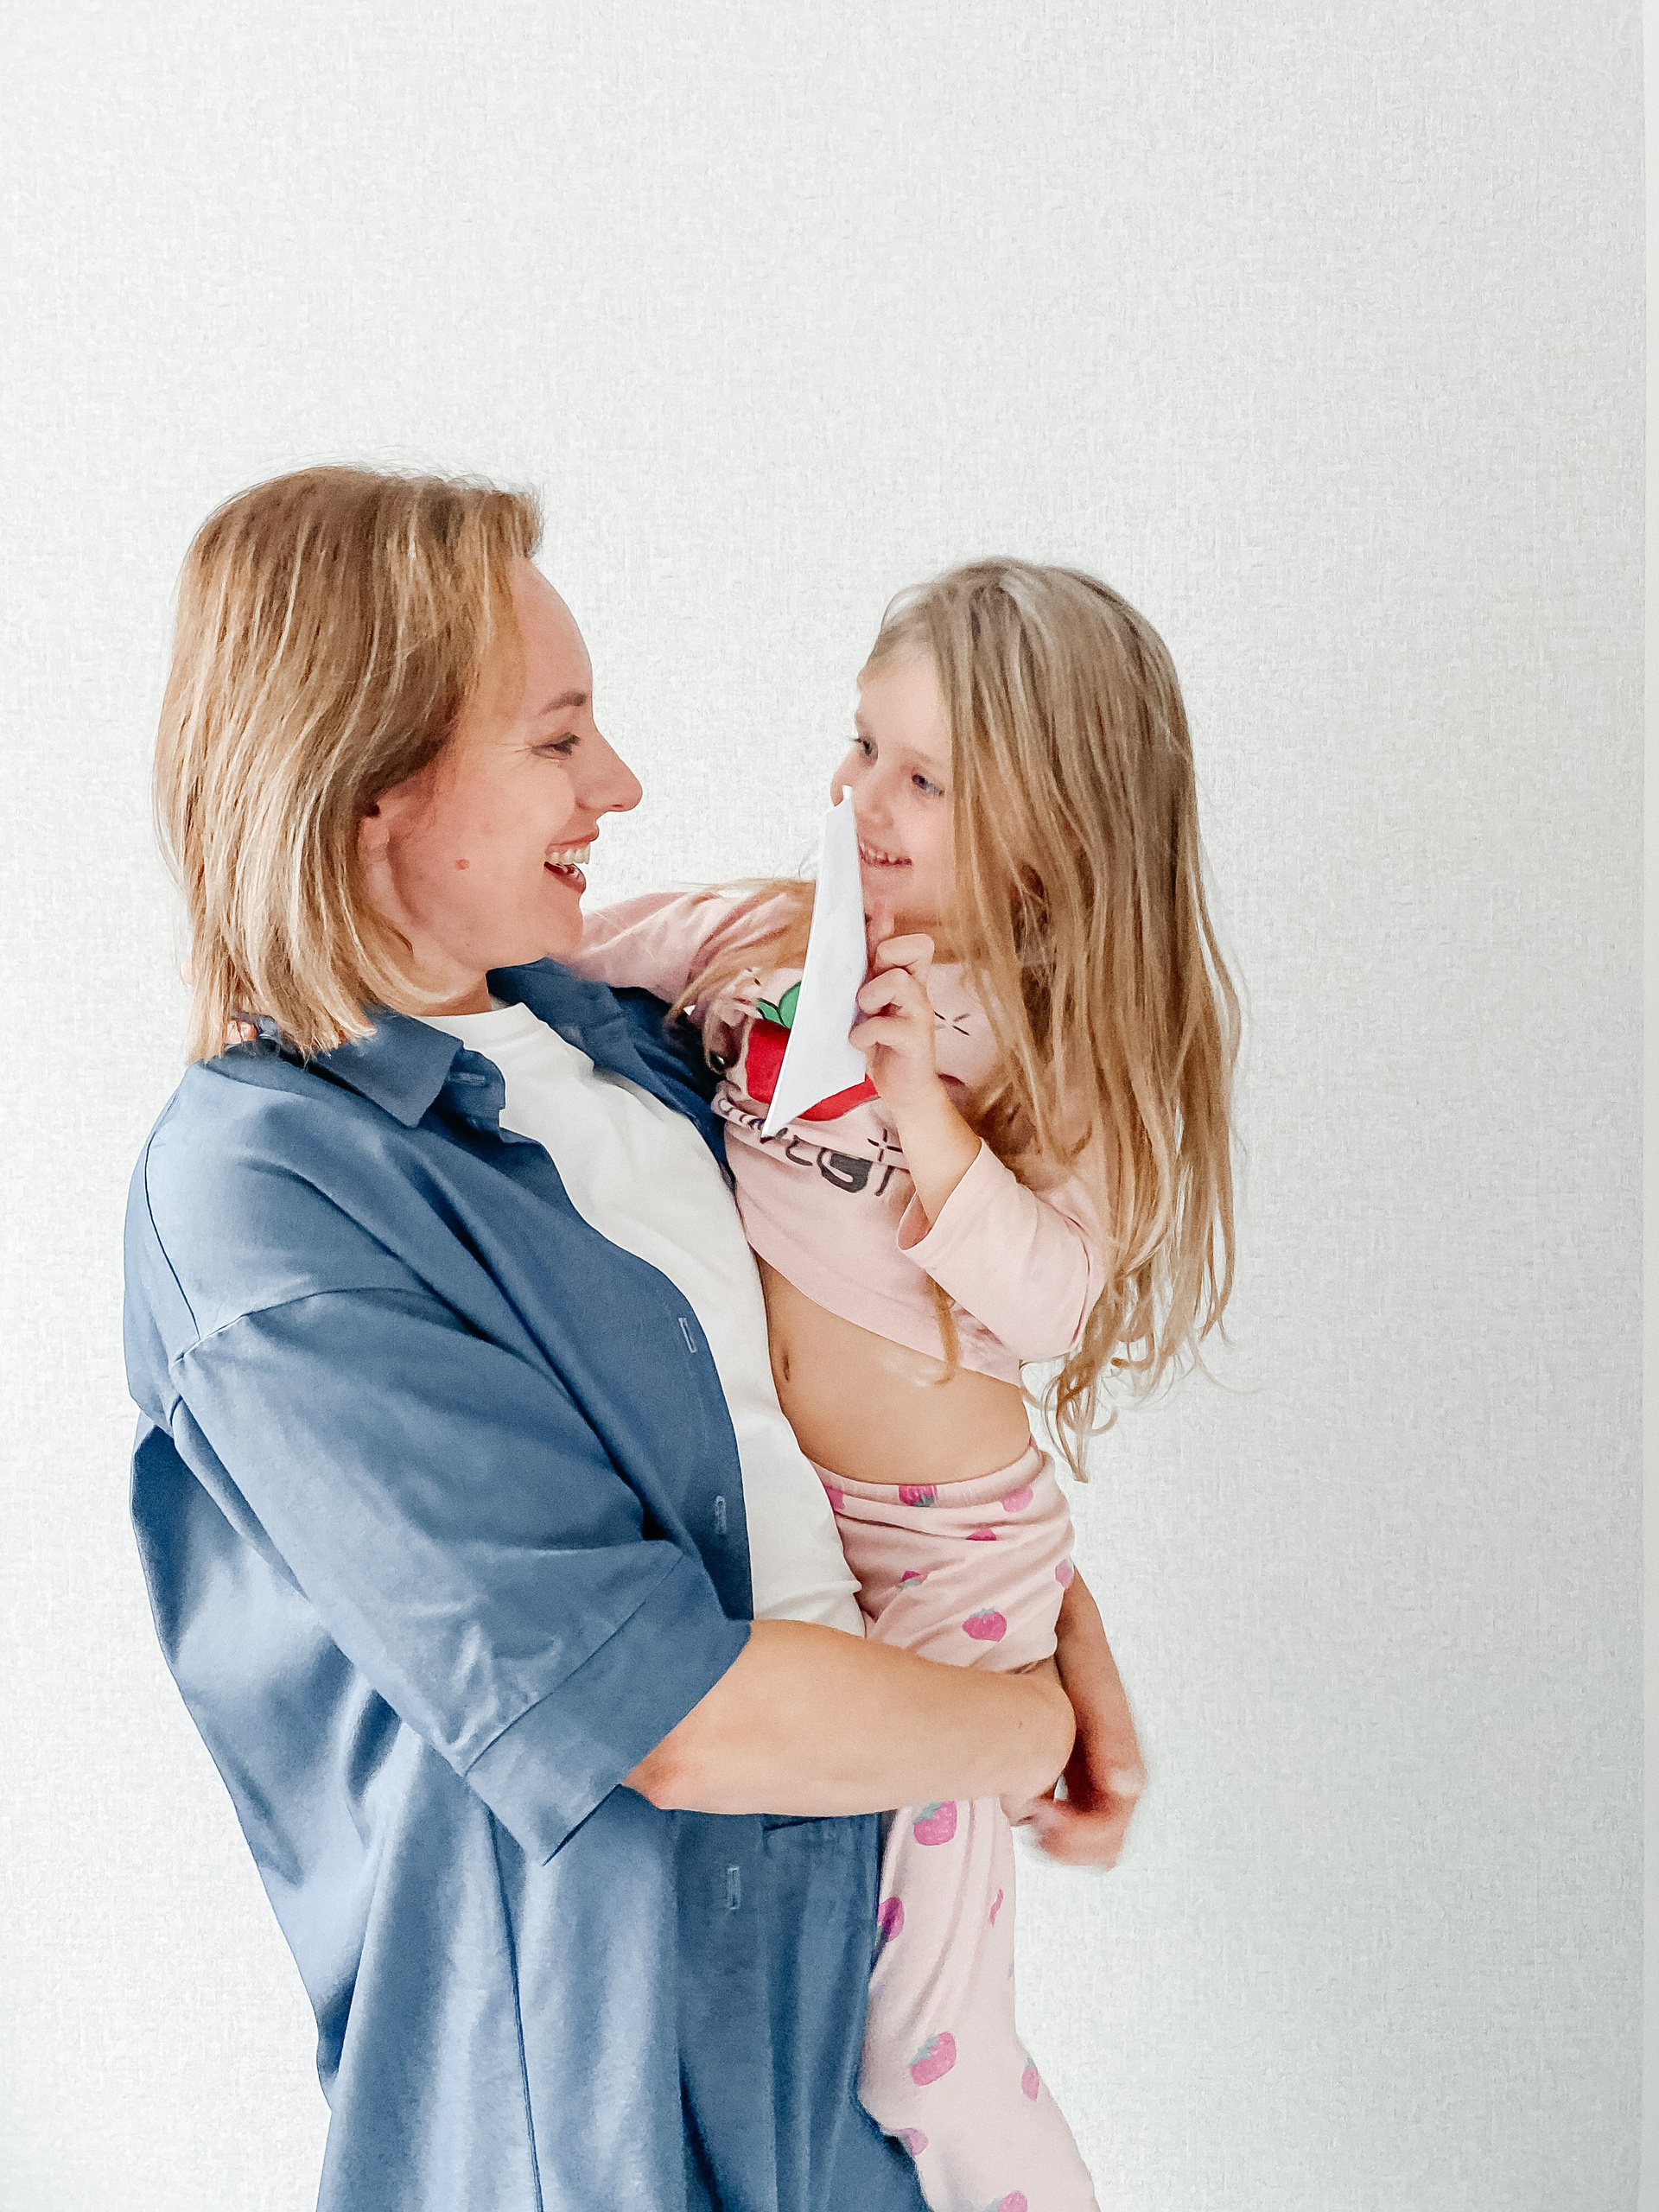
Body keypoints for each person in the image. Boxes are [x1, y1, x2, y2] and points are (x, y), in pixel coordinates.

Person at [124, 469, 1141, 2212]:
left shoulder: (638, 1044)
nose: (622, 785)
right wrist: (1023, 1725)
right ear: (370, 790)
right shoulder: (268, 1198)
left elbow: (829, 1396)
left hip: (830, 2031)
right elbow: (652, 1710)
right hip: (596, 2103)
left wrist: (1056, 1625)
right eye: (557, 739)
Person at [566, 560, 1238, 2210]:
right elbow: (561, 958)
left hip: (951, 1556)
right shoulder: (771, 944)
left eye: (925, 779)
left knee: (922, 2043)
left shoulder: (1056, 1048)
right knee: (794, 1961)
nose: (863, 797)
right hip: (791, 1533)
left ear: (1054, 831)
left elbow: (1054, 1296)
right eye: (864, 746)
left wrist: (931, 1113)